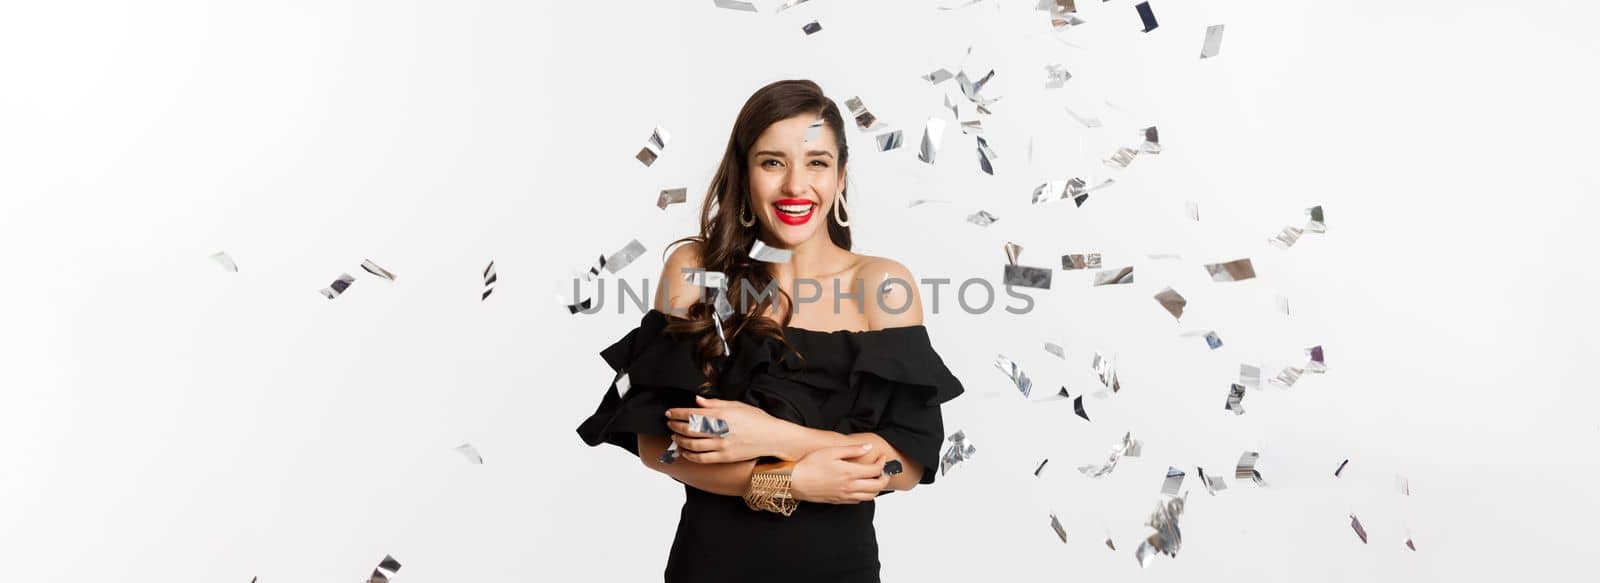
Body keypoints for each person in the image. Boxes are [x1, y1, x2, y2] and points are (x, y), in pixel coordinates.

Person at [576, 79, 964, 583]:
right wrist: (790, 482)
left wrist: (773, 435)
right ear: (744, 173)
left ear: (841, 177)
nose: (796, 186)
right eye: (773, 162)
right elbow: (660, 447)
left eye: (817, 163)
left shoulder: (883, 284)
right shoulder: (696, 270)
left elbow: (903, 468)